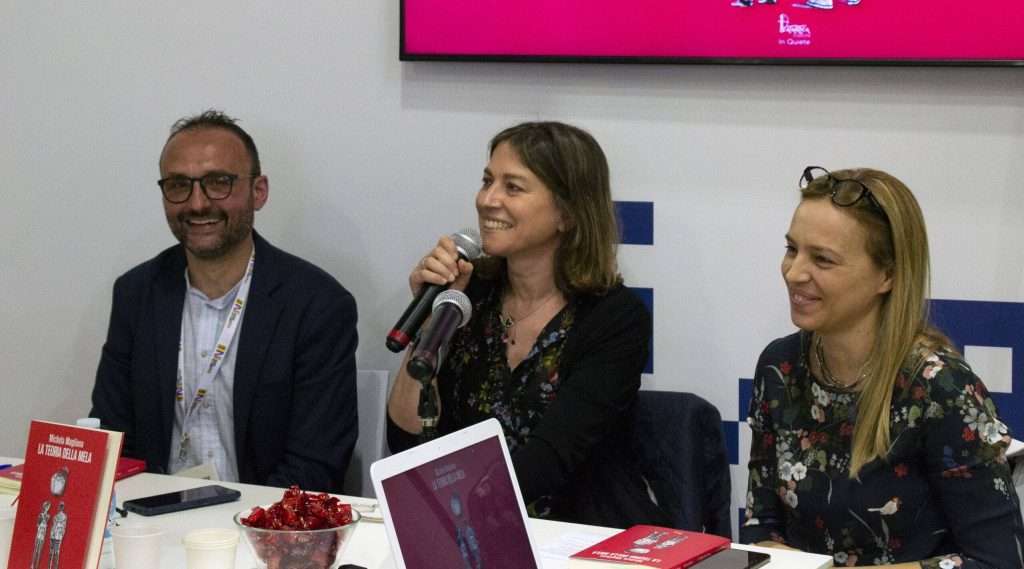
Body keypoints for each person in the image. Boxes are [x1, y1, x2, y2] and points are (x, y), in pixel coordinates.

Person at [386, 121, 666, 528]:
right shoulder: (468, 294)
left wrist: (454, 512)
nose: (487, 200)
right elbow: (407, 439)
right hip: (470, 527)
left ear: (567, 212)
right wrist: (431, 325)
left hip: (578, 536)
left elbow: (549, 461)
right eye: (487, 181)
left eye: (512, 187)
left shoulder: (615, 318)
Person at [741, 166, 1024, 567]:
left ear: (887, 275)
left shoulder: (940, 388)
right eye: (791, 249)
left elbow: (999, 561)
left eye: (822, 259)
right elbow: (760, 526)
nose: (794, 272)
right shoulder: (779, 367)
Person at [91, 110, 358, 492]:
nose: (198, 203)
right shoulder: (136, 294)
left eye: (219, 183)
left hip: (262, 520)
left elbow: (316, 465)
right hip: (150, 516)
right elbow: (112, 438)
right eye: (178, 185)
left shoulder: (317, 305)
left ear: (258, 191)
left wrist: (237, 521)